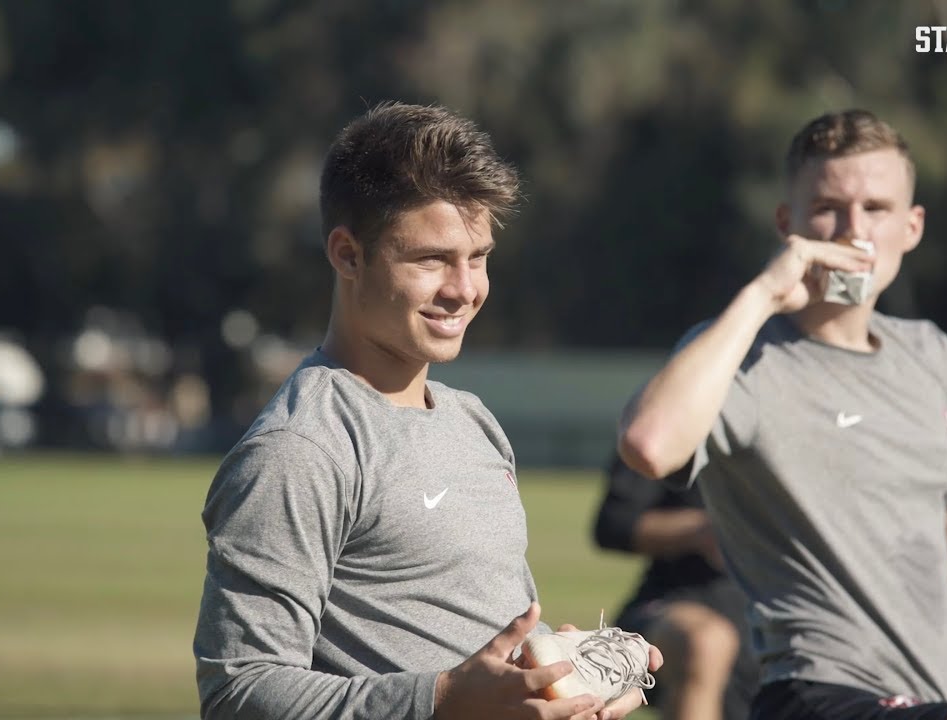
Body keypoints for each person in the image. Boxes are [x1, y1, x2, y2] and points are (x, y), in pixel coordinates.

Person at [193, 102, 661, 720]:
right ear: (348, 255)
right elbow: (239, 693)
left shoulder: (473, 421)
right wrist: (440, 701)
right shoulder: (300, 448)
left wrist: (553, 676)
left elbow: (484, 662)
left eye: (479, 257)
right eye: (432, 259)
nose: (464, 289)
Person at [617, 109, 947, 720]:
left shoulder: (933, 354)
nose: (852, 231)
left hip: (938, 694)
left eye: (876, 209)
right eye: (828, 208)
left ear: (912, 227)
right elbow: (648, 445)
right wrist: (763, 295)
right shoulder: (746, 356)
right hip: (817, 694)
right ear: (788, 224)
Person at [593, 454, 759, 720]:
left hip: (780, 610)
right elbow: (614, 523)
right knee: (706, 641)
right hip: (679, 602)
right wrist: (703, 532)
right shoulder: (679, 425)